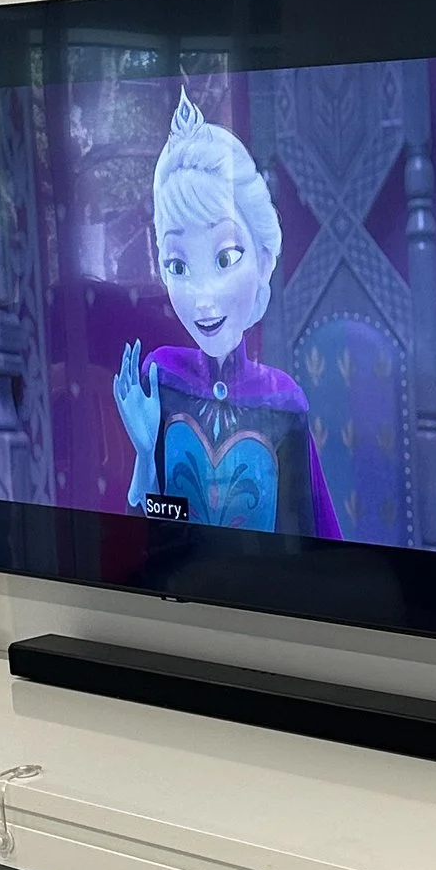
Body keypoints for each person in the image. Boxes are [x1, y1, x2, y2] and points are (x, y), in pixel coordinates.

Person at [113, 92, 339, 537]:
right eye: (178, 266)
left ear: (264, 258)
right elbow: (148, 533)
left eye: (227, 257)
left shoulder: (283, 401)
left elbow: (308, 540)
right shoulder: (161, 378)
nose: (203, 298)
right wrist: (144, 455)